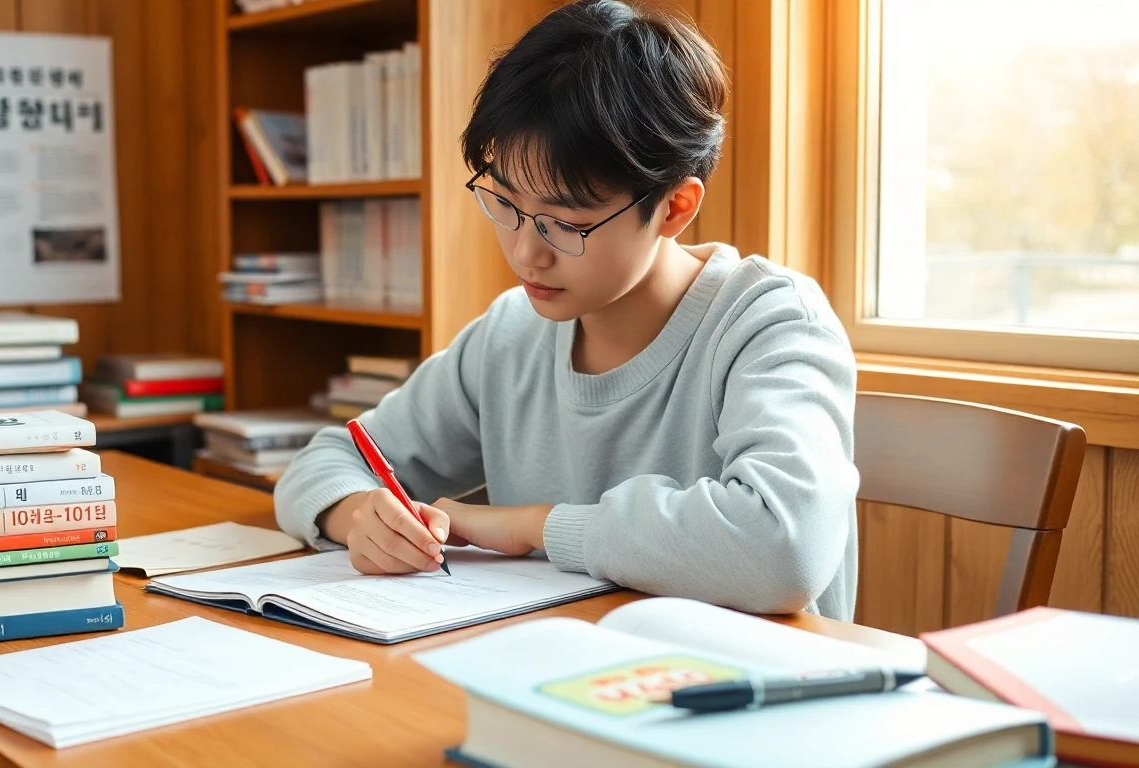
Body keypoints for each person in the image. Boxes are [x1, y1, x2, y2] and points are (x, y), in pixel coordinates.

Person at [275, 0, 859, 620]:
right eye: (504, 202)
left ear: (675, 208)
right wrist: (355, 514)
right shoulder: (511, 335)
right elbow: (328, 460)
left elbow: (784, 548)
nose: (527, 252)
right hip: (559, 672)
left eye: (565, 223)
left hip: (745, 691)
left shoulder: (769, 323)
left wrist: (535, 527)